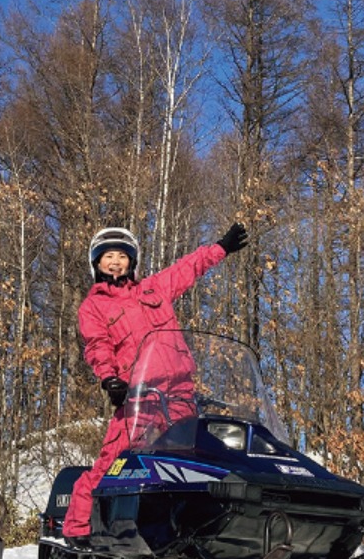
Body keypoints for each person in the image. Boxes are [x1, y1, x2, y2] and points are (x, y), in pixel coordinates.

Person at [60, 221, 249, 542]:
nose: (115, 261)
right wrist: (109, 379)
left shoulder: (155, 289)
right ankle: (78, 531)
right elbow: (97, 346)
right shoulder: (94, 306)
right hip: (138, 396)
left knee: (193, 464)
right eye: (108, 256)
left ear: (132, 261)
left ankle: (191, 532)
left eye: (122, 255)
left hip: (179, 394)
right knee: (114, 461)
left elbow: (187, 268)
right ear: (97, 264)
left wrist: (220, 248)